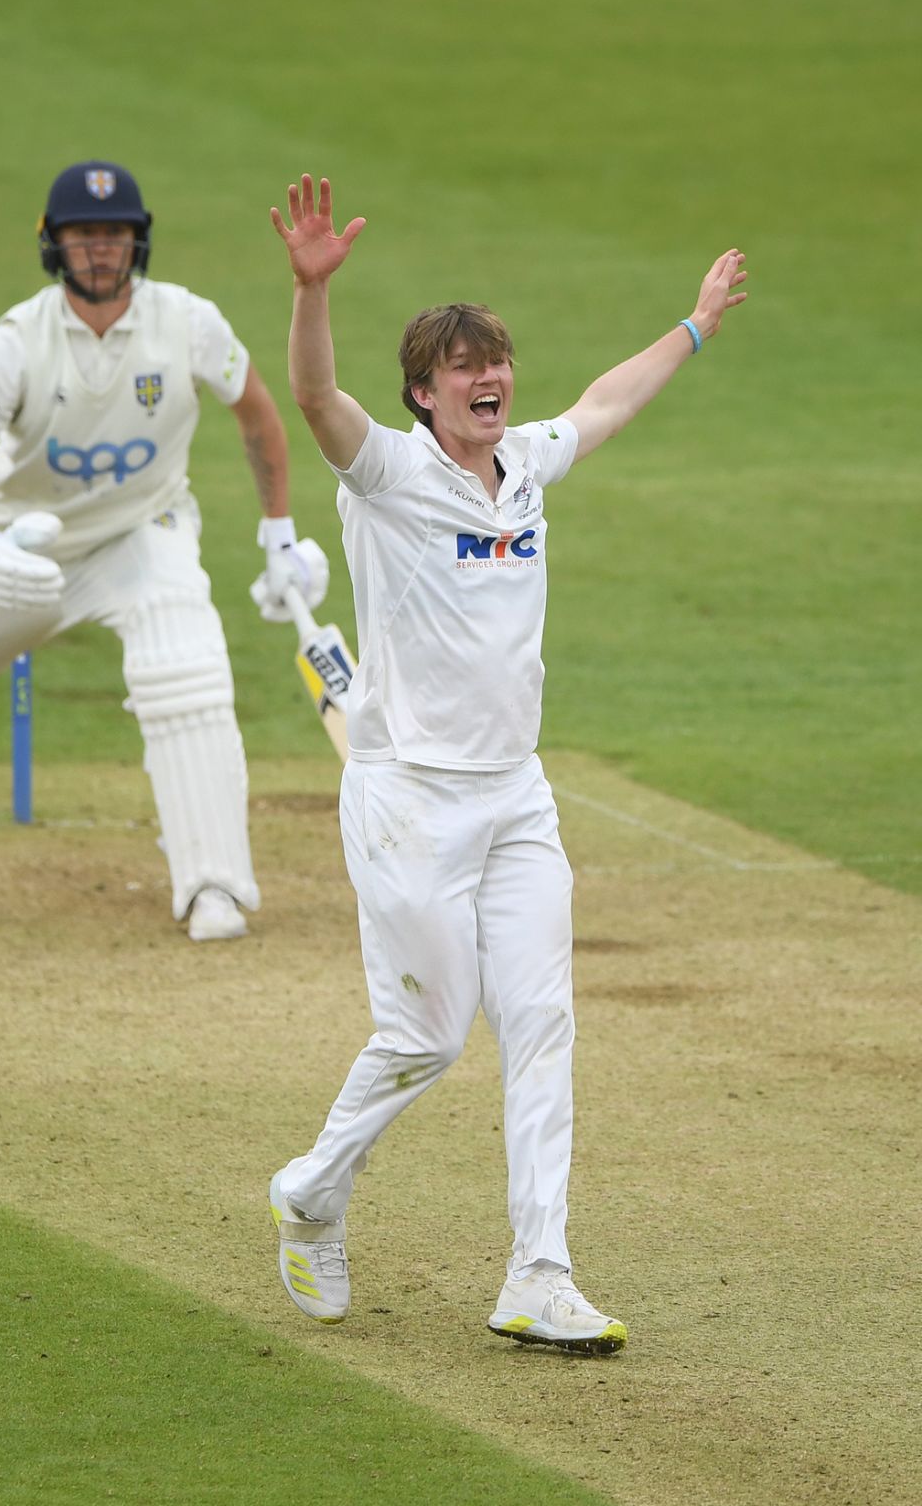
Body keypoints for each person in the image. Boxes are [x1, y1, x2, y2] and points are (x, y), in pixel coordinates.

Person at [266, 174, 747, 1351]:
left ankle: (538, 1270)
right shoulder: (383, 474)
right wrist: (309, 291)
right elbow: (314, 395)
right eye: (463, 368)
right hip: (406, 796)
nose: (489, 379)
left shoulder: (522, 464)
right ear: (423, 394)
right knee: (428, 1035)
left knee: (539, 1022)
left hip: (513, 794)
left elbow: (605, 402)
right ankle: (311, 1194)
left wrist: (689, 324)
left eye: (496, 362)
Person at [0, 160, 327, 943]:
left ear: (138, 242)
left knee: (189, 677)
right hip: (24, 544)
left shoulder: (187, 321)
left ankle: (213, 885)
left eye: (115, 235)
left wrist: (278, 534)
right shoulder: (18, 341)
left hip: (142, 533)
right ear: (52, 244)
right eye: (84, 236)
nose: (101, 251)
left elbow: (258, 415)